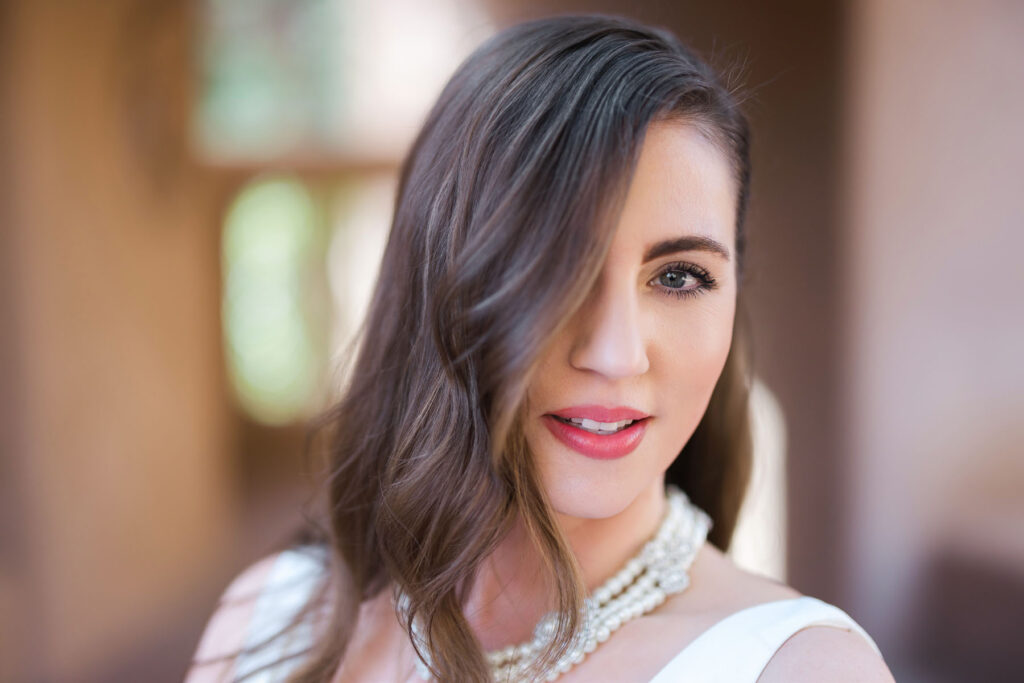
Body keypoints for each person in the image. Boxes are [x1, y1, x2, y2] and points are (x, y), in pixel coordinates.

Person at [187, 14, 895, 683]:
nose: (617, 354)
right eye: (562, 267)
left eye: (680, 276)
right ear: (443, 282)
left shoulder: (800, 668)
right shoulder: (270, 622)